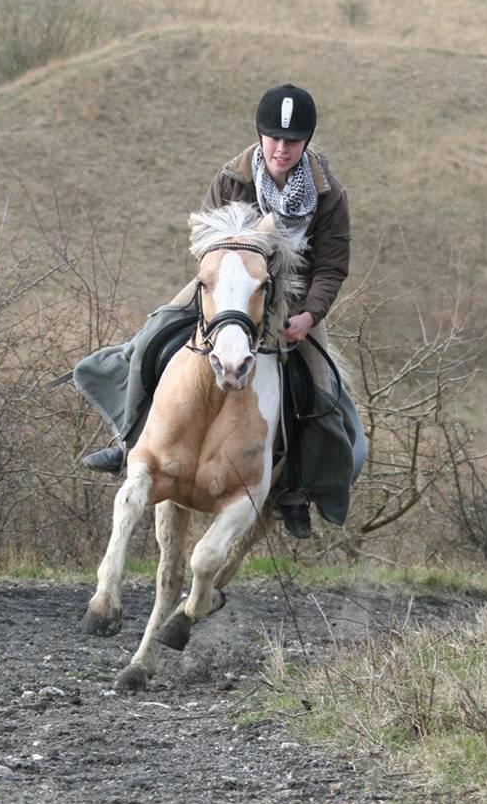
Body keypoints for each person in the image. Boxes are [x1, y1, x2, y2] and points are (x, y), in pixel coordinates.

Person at [78, 83, 358, 538]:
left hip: (293, 300)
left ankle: (297, 490)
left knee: (322, 392)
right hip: (228, 288)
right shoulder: (233, 177)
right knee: (151, 337)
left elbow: (332, 266)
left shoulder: (329, 196)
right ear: (260, 135)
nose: (281, 149)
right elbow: (207, 242)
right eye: (274, 138)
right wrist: (223, 290)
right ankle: (127, 440)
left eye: (292, 141)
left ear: (306, 142)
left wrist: (309, 316)